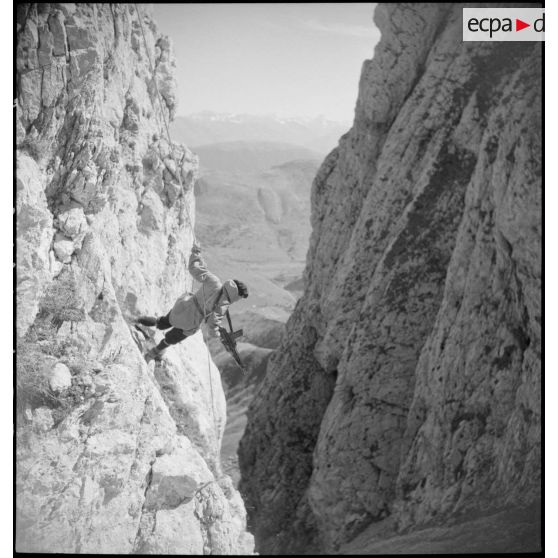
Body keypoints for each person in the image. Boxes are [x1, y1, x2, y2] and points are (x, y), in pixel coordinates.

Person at [137, 243, 248, 362]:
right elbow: (212, 323)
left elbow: (194, 269)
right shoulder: (224, 303)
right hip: (189, 323)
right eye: (240, 298)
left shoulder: (215, 281)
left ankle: (137, 320)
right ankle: (152, 354)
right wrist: (217, 334)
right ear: (237, 294)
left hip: (182, 307)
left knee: (162, 322)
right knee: (170, 339)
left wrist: (196, 253)